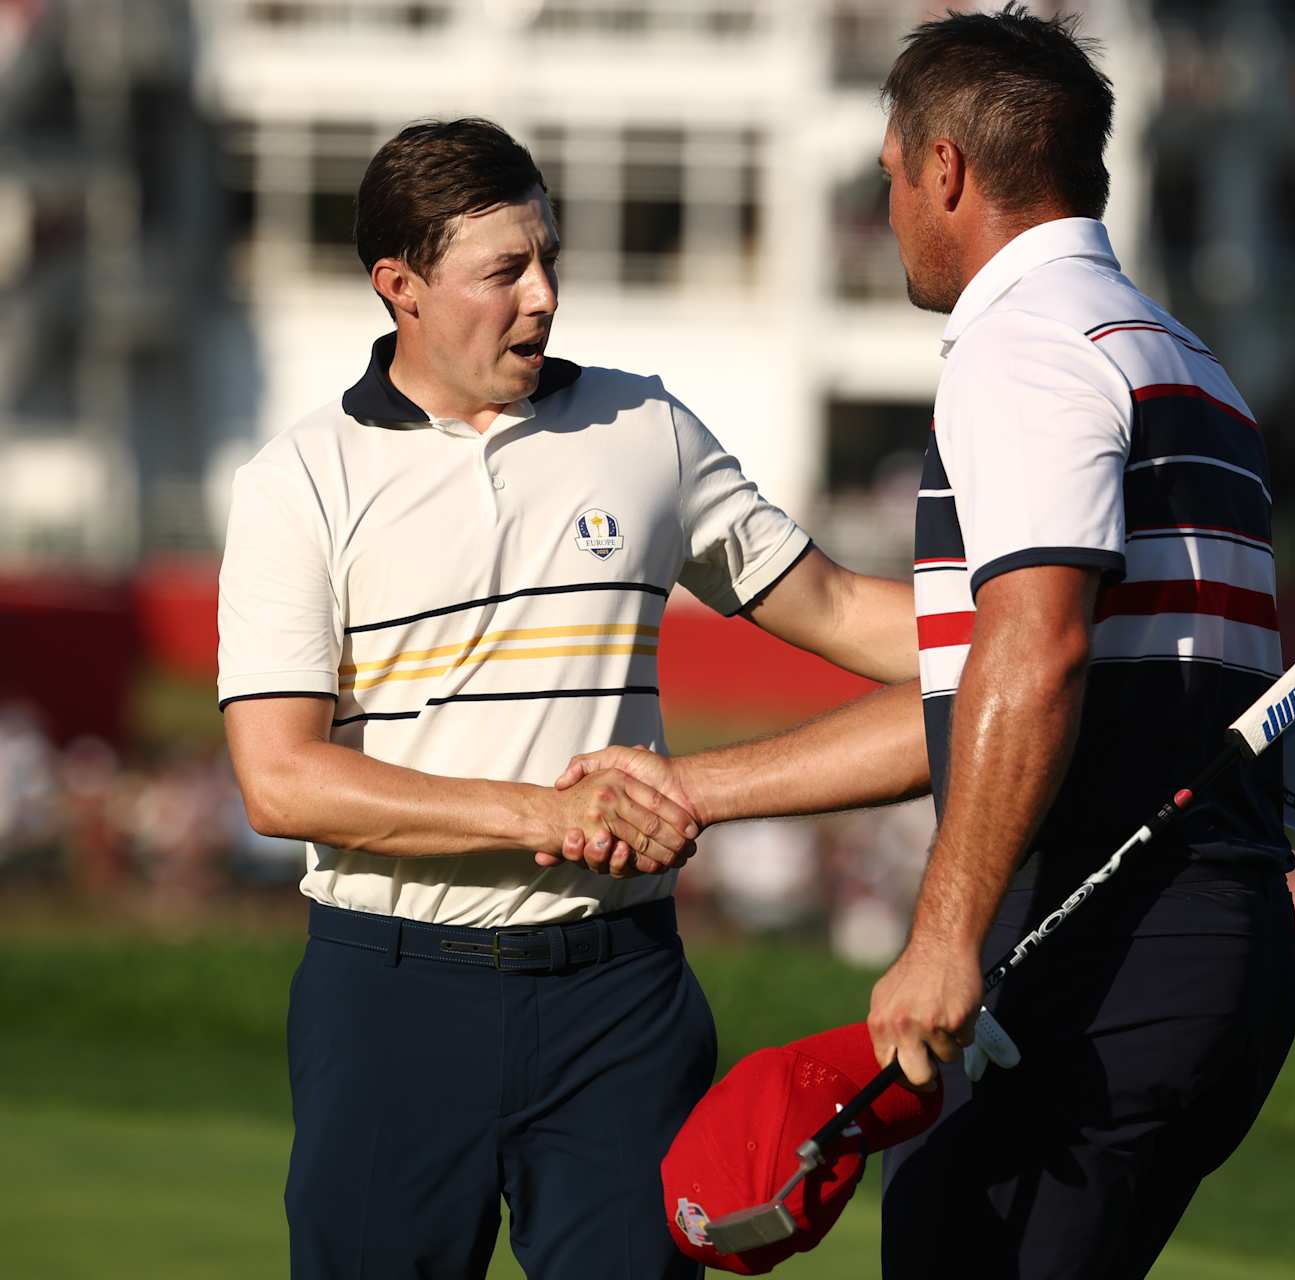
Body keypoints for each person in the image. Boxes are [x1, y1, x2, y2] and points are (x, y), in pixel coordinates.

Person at [555, 9, 1295, 1278]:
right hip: (1212, 952)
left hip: (1089, 950)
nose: (890, 202)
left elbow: (1035, 653)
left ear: (946, 168)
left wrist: (944, 932)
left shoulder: (1025, 346)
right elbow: (983, 702)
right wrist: (695, 788)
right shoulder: (1183, 360)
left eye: (891, 172)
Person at [217, 118, 916, 1279]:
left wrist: (1039, 639)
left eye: (548, 258)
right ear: (400, 286)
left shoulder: (647, 428)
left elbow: (840, 607)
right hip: (389, 993)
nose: (542, 295)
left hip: (620, 993)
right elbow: (280, 779)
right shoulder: (299, 479)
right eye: (504, 270)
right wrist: (542, 813)